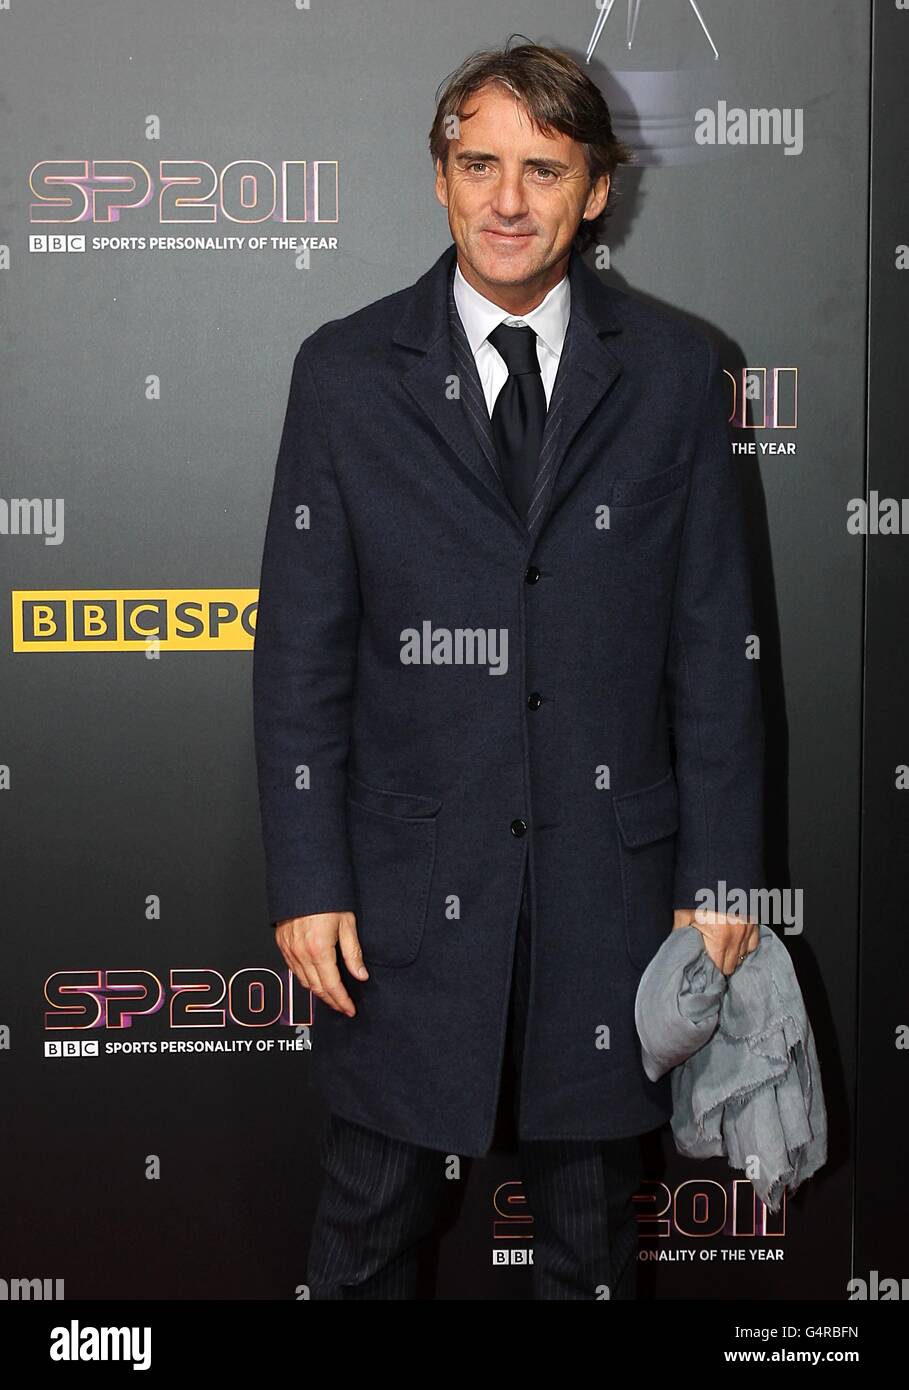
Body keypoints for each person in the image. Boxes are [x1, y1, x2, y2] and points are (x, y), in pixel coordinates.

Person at [252, 38, 764, 1300]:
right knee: (367, 1231)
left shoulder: (677, 372)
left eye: (544, 168)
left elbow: (716, 643)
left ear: (596, 190)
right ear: (440, 176)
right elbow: (301, 656)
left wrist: (721, 874)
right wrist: (309, 875)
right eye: (479, 163)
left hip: (612, 894)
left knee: (590, 1248)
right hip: (405, 897)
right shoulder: (344, 373)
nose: (507, 200)